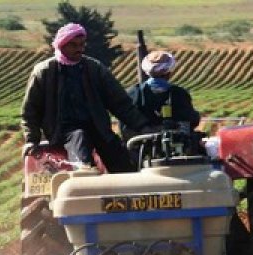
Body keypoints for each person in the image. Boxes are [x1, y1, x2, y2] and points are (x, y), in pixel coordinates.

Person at [20, 23, 150, 173]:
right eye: (73, 45)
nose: (79, 49)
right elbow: (30, 112)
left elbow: (120, 103)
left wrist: (142, 126)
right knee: (81, 149)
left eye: (82, 45)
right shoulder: (44, 72)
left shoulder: (95, 68)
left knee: (123, 162)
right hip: (64, 131)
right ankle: (83, 179)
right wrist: (31, 140)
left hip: (98, 128)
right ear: (62, 45)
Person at [122, 50, 200, 139]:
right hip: (175, 145)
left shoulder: (134, 93)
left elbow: (126, 124)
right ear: (169, 71)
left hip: (140, 145)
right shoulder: (179, 94)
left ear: (147, 71)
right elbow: (191, 119)